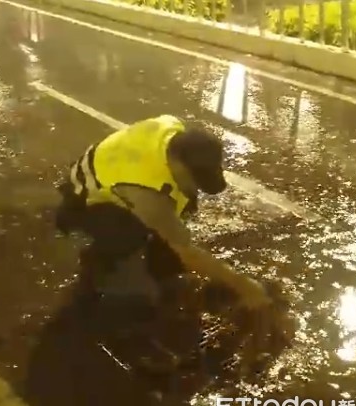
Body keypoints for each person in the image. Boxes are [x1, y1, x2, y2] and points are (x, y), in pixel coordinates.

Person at [55, 115, 271, 309]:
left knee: (183, 201)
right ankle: (98, 266)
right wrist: (244, 286)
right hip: (83, 199)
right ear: (175, 163)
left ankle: (159, 246)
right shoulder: (144, 190)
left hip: (117, 175)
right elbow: (187, 252)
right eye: (194, 178)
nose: (197, 187)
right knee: (128, 233)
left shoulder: (172, 128)